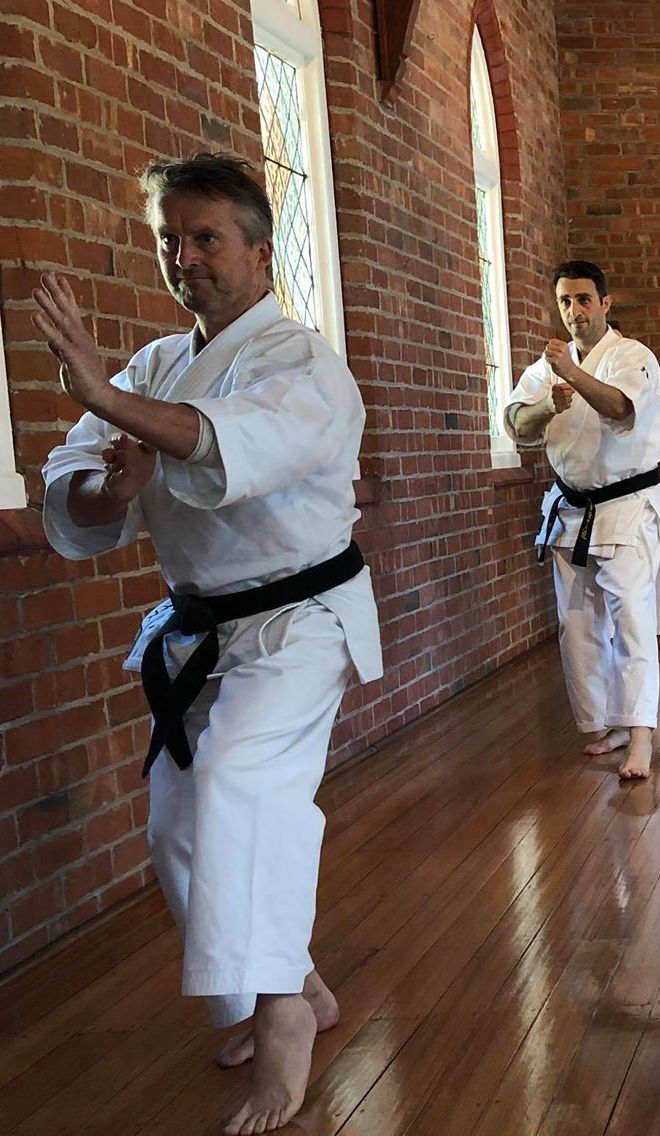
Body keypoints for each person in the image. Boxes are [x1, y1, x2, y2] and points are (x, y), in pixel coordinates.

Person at [36, 153, 380, 1135]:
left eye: (206, 239)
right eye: (169, 240)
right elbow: (80, 495)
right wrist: (110, 478)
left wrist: (107, 400)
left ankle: (281, 1020)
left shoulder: (302, 363)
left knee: (240, 781)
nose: (184, 258)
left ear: (260, 252)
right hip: (199, 627)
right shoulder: (153, 364)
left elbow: (228, 444)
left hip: (299, 622)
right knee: (176, 827)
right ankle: (290, 982)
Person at [504, 260, 660, 781]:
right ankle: (609, 723)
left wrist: (572, 375)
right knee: (578, 626)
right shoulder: (545, 365)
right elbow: (517, 423)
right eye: (565, 301)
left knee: (632, 622)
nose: (574, 311)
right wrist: (548, 406)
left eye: (583, 299)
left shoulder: (632, 355)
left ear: (604, 303)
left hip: (625, 507)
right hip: (570, 510)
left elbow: (621, 409)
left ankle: (641, 734)